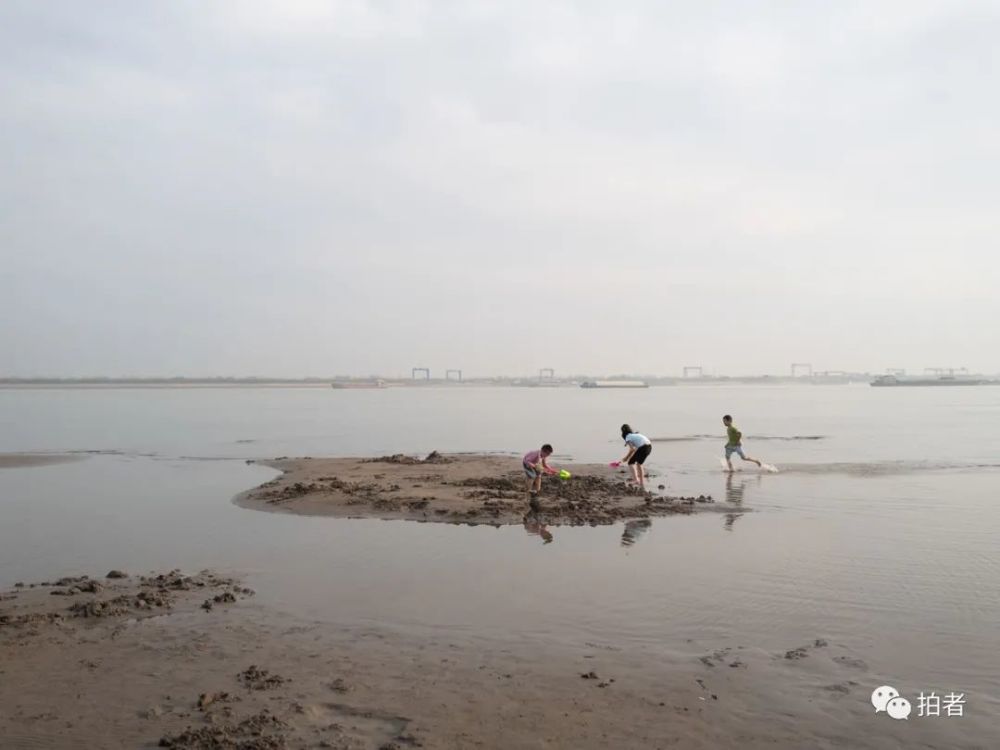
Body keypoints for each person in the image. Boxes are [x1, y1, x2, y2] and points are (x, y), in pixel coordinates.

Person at [619, 424, 652, 491]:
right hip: (649, 447)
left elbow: (632, 450)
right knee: (639, 464)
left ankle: (636, 480)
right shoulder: (635, 435)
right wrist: (628, 457)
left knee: (630, 463)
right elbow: (635, 451)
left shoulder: (628, 437)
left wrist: (626, 458)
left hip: (643, 448)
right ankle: (641, 483)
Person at [523, 444, 555, 510]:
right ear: (543, 451)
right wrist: (534, 466)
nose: (548, 455)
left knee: (539, 474)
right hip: (527, 463)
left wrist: (551, 470)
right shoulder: (535, 454)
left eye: (549, 454)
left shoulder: (543, 455)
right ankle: (528, 490)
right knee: (532, 475)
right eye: (547, 454)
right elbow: (527, 460)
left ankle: (537, 490)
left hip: (535, 463)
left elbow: (544, 465)